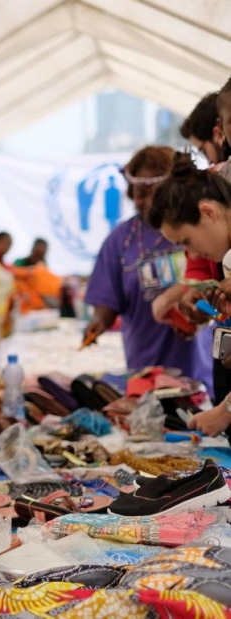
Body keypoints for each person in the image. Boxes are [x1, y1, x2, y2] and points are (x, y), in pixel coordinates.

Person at [82, 145, 213, 394]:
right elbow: (107, 301)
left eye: (152, 192)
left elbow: (211, 279)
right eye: (139, 193)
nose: (145, 201)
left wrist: (173, 300)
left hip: (201, 366)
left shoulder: (198, 226)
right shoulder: (119, 241)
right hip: (145, 370)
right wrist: (98, 323)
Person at [148, 152, 231, 435]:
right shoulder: (225, 260)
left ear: (208, 212)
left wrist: (226, 411)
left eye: (188, 242)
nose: (193, 255)